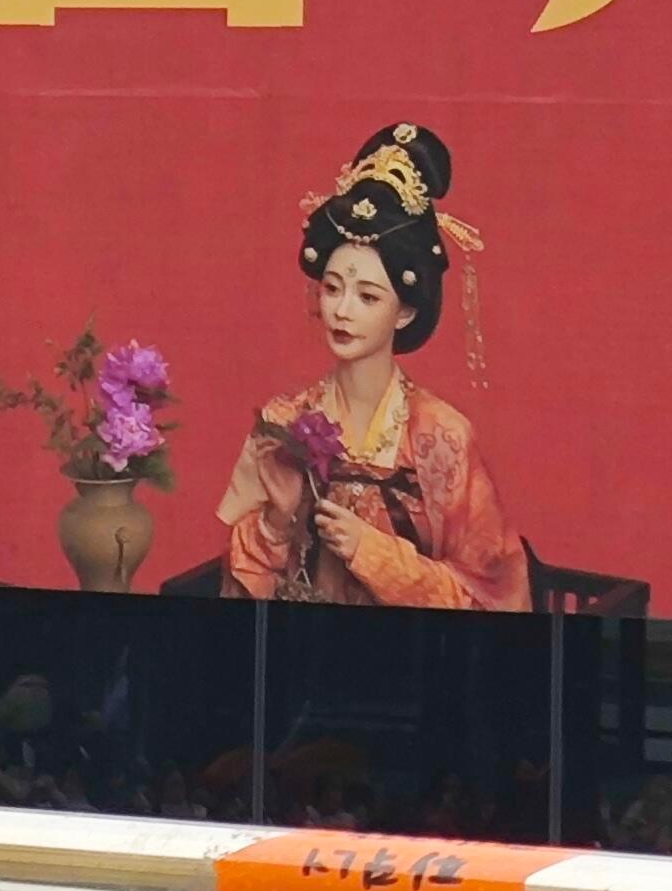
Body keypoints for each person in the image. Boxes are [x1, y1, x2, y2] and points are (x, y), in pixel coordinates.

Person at [214, 121, 529, 610]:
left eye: (367, 297)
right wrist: (276, 521)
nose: (342, 311)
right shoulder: (282, 423)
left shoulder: (441, 437)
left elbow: (494, 598)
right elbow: (237, 589)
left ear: (405, 312)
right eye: (332, 288)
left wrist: (371, 552)